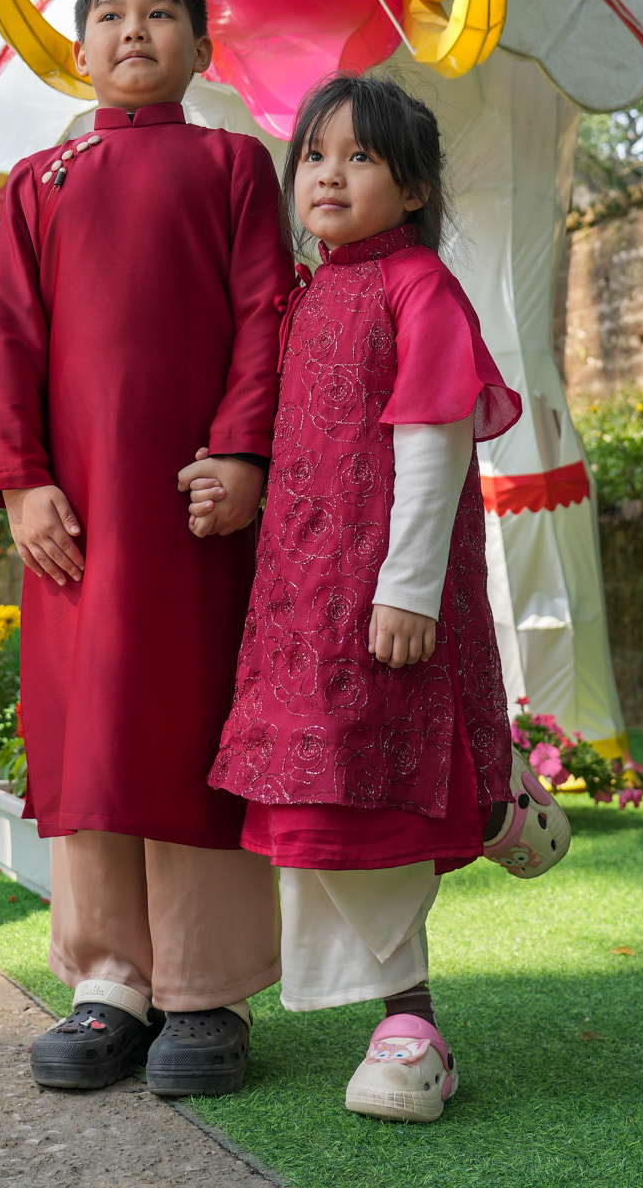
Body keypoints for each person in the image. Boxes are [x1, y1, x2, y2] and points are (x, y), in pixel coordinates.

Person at [203, 72, 572, 1125]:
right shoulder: (307, 293)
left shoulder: (419, 287)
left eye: (360, 156)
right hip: (299, 597)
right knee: (309, 781)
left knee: (363, 793)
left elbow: (435, 439)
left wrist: (406, 585)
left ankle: (414, 1024)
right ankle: (496, 800)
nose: (329, 172)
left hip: (384, 591)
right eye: (316, 153)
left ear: (412, 189)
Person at [0, 0, 294, 1099]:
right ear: (78, 46)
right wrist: (20, 481)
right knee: (90, 733)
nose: (133, 29)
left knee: (192, 723)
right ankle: (109, 981)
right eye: (108, 13)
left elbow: (266, 317)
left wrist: (245, 452)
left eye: (162, 13)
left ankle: (206, 988)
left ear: (203, 49)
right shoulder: (35, 182)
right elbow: (9, 338)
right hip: (77, 519)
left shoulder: (234, 165)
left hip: (197, 507)